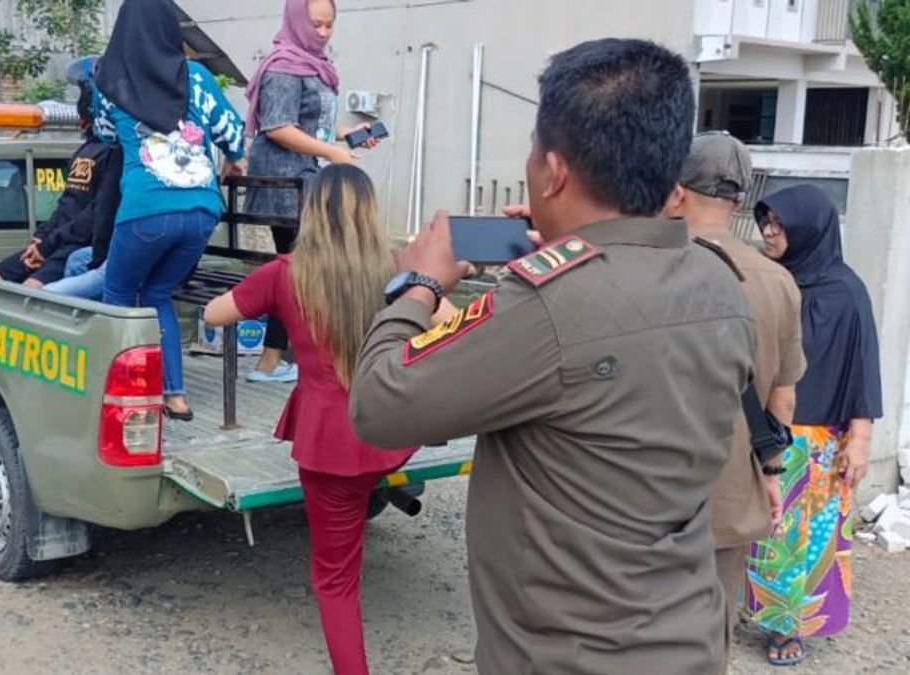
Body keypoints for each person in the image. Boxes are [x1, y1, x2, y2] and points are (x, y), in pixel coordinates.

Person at [348, 39, 756, 674]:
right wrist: (564, 258)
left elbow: (379, 403)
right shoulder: (719, 283)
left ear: (554, 170)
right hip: (686, 636)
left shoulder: (546, 306)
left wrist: (418, 285)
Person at [204, 164, 415, 674]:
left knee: (335, 578)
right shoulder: (394, 270)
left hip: (327, 443)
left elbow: (213, 315)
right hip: (386, 430)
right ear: (368, 214)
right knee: (352, 542)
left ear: (312, 213)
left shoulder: (285, 273)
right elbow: (450, 320)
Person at [664, 131, 806, 668]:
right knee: (707, 636)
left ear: (675, 188)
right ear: (740, 200)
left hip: (643, 491)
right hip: (727, 495)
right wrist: (770, 474)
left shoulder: (644, 265)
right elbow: (782, 397)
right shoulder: (778, 281)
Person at [746, 184, 883, 666]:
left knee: (803, 540)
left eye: (780, 224)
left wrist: (861, 440)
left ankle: (791, 626)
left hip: (819, 440)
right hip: (765, 429)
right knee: (760, 530)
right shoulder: (769, 281)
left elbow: (863, 367)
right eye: (766, 221)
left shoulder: (847, 293)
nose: (768, 231)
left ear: (808, 228)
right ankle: (752, 607)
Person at [96, 0, 245, 421]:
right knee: (158, 293)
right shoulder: (195, 76)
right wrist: (233, 157)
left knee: (120, 295)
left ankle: (125, 395)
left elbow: (106, 135)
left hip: (145, 210)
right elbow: (233, 133)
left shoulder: (110, 82)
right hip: (201, 211)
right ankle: (174, 396)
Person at [242, 0, 382, 384]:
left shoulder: (315, 65)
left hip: (307, 184)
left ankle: (278, 359)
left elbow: (315, 126)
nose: (321, 33)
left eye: (328, 26)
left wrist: (350, 136)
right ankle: (276, 361)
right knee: (302, 271)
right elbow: (278, 127)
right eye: (315, 25)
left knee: (303, 270)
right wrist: (332, 152)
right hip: (286, 188)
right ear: (296, 20)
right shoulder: (284, 66)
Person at [0, 83, 119, 289]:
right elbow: (66, 202)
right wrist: (40, 237)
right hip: (55, 241)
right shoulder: (86, 148)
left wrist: (47, 246)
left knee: (32, 290)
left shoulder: (114, 152)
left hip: (78, 245)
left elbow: (94, 215)